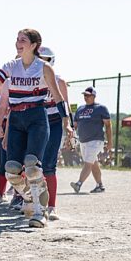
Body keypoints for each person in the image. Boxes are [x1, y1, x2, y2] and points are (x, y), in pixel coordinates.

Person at [0, 28, 64, 228]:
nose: (18, 42)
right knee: (11, 170)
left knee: (33, 165)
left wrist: (67, 123)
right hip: (16, 118)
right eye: (17, 39)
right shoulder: (11, 66)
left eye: (23, 40)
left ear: (34, 45)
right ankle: (30, 197)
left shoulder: (44, 68)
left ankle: (39, 212)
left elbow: (59, 97)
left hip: (37, 116)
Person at [37, 47, 73, 220]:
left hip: (55, 121)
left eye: (45, 59)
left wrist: (69, 125)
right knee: (32, 163)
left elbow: (65, 103)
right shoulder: (33, 79)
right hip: (38, 122)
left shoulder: (59, 80)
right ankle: (30, 201)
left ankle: (51, 206)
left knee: (49, 164)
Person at [70, 87, 112, 194]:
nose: (86, 97)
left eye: (88, 95)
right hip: (83, 141)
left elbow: (108, 126)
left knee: (88, 163)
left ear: (94, 96)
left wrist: (110, 142)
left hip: (96, 140)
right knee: (93, 163)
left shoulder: (101, 108)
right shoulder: (80, 109)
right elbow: (74, 126)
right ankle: (100, 185)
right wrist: (70, 138)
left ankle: (78, 184)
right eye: (85, 95)